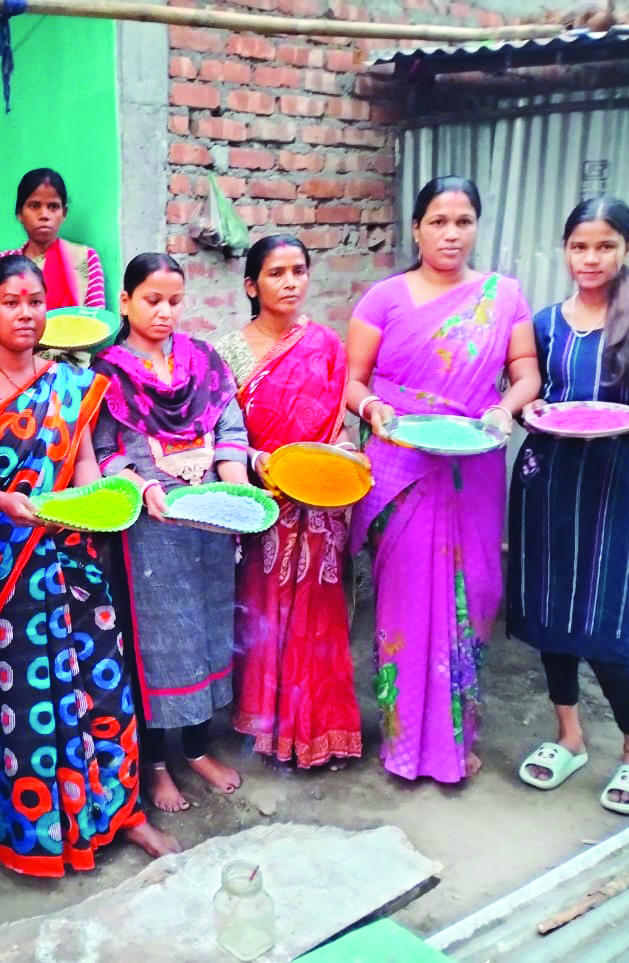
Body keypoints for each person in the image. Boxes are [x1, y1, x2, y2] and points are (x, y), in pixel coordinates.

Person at [0, 255, 180, 875]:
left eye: (36, 302)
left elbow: (83, 463)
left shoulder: (70, 381)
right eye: (11, 302)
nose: (26, 313)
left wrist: (94, 508)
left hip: (73, 553)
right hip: (4, 558)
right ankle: (35, 830)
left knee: (101, 681)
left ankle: (121, 813)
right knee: (25, 691)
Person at [346, 176, 541, 784]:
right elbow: (353, 381)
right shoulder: (384, 298)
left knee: (473, 598)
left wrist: (503, 410)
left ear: (476, 227)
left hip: (473, 466)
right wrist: (373, 409)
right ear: (417, 229)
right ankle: (405, 744)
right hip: (401, 468)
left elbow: (526, 372)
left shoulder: (503, 296)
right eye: (438, 221)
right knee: (405, 606)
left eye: (463, 221)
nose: (451, 234)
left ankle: (457, 741)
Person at [91, 253, 250, 812]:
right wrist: (140, 488)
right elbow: (103, 451)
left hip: (210, 523)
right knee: (158, 644)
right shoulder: (107, 373)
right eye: (152, 300)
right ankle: (157, 765)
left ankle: (198, 749)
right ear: (126, 301)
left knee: (206, 631)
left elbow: (230, 425)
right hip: (150, 533)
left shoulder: (203, 360)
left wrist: (236, 486)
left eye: (175, 301)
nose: (165, 312)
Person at [509, 197, 629, 815]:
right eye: (580, 246)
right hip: (549, 481)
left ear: (626, 250)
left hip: (620, 486)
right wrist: (529, 410)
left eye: (605, 246)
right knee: (552, 611)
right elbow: (531, 393)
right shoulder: (544, 324)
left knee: (608, 619)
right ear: (565, 250)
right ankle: (570, 738)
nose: (591, 258)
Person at [214, 235, 363, 769]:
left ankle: (321, 731)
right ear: (252, 286)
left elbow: (335, 425)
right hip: (265, 500)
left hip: (320, 506)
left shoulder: (325, 345)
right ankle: (270, 730)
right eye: (276, 273)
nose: (291, 282)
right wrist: (258, 463)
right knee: (264, 615)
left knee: (320, 617)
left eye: (299, 270)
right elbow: (222, 434)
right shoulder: (228, 352)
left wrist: (345, 453)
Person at [0, 168, 106, 311]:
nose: (44, 215)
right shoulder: (3, 262)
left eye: (53, 206)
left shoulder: (85, 259)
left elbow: (96, 319)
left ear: (64, 213)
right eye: (34, 206)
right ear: (19, 213)